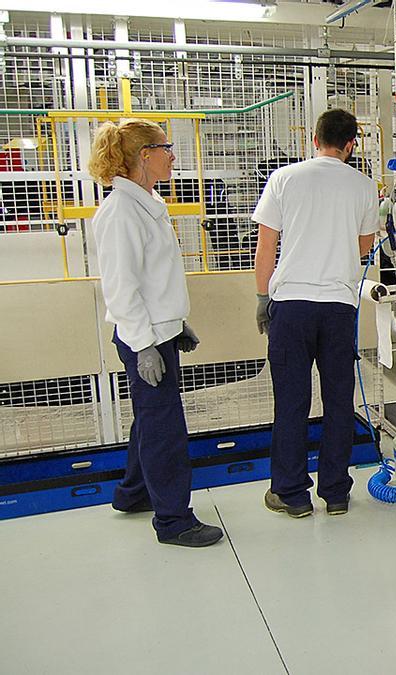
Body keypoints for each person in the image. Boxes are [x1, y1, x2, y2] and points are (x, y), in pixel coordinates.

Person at [89, 119, 224, 548]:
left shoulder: (147, 202)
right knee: (165, 427)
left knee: (152, 417)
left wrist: (174, 321)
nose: (173, 155)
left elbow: (155, 277)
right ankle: (173, 521)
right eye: (166, 147)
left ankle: (134, 493)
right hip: (142, 339)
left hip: (157, 332)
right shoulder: (121, 212)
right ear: (144, 155)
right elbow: (122, 288)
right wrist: (145, 345)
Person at [252, 109, 379, 518]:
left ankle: (290, 493)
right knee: (339, 400)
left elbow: (266, 246)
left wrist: (261, 297)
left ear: (314, 139)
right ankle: (336, 491)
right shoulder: (363, 186)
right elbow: (364, 247)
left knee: (291, 400)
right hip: (339, 308)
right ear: (351, 145)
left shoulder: (285, 178)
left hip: (291, 306)